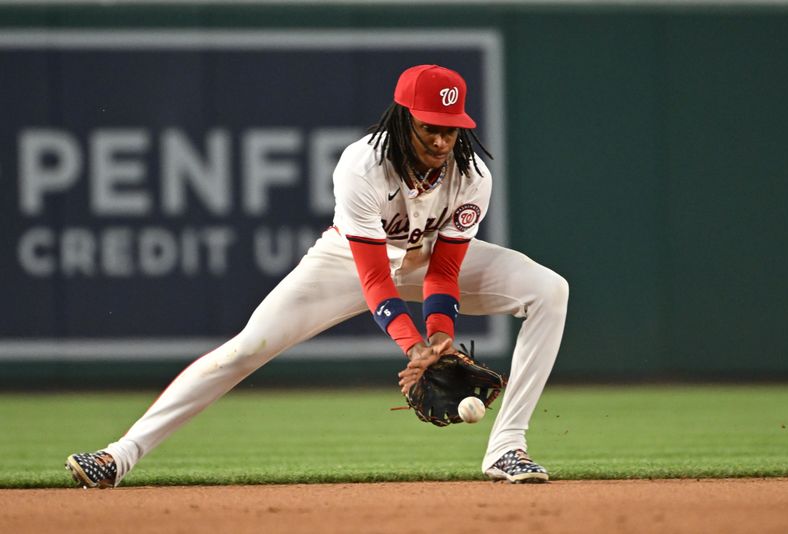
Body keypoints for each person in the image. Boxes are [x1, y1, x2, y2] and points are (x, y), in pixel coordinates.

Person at [66, 64, 569, 487]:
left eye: (450, 127)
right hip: (347, 263)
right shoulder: (363, 165)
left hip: (425, 256)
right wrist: (412, 346)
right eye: (428, 126)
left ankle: (507, 447)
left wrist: (439, 336)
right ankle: (119, 456)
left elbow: (444, 270)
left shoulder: (472, 174)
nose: (441, 139)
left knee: (549, 291)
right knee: (247, 347)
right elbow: (374, 276)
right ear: (402, 119)